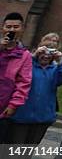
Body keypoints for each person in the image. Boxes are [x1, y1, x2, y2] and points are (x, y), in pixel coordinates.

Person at [5, 36, 62, 159]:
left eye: (50, 52)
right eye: (44, 51)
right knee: (12, 154)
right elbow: (16, 71)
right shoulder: (28, 66)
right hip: (21, 116)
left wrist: (61, 60)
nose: (46, 56)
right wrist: (33, 56)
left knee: (27, 154)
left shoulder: (55, 70)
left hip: (42, 118)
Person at [0, 12, 32, 143]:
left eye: (15, 27)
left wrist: (14, 104)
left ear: (22, 29)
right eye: (8, 26)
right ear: (2, 28)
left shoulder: (25, 55)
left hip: (3, 107)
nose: (11, 30)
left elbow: (24, 82)